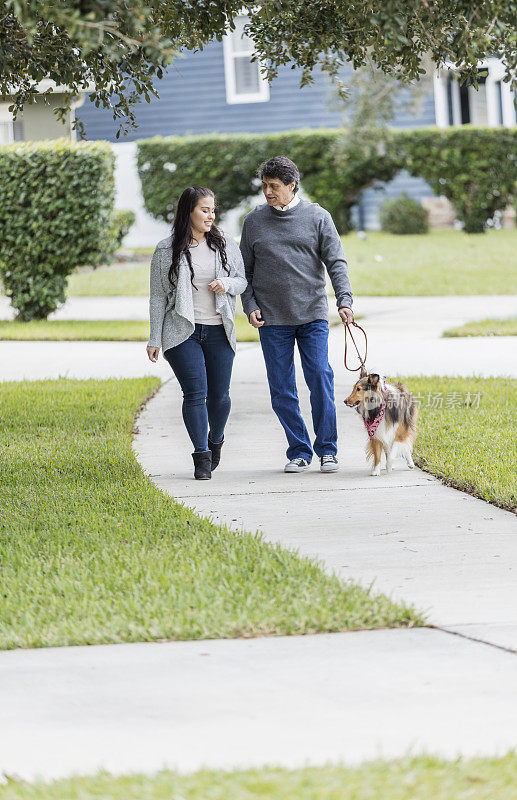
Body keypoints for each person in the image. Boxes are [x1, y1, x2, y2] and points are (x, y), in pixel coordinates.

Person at [240, 156, 354, 474]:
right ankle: (299, 450)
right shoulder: (253, 221)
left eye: (274, 186)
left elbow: (336, 261)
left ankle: (327, 450)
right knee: (282, 388)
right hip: (272, 319)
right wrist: (249, 305)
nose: (267, 192)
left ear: (292, 185)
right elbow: (243, 272)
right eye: (264, 186)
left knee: (320, 378)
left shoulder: (318, 217)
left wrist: (344, 299)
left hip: (312, 314)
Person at [147, 186, 247, 480]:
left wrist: (226, 284)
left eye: (213, 210)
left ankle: (216, 439)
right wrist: (155, 337)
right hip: (181, 332)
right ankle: (201, 455)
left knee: (220, 398)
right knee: (194, 393)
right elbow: (157, 297)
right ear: (188, 211)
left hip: (218, 330)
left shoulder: (225, 243)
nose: (210, 216)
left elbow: (241, 281)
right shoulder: (167, 249)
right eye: (205, 210)